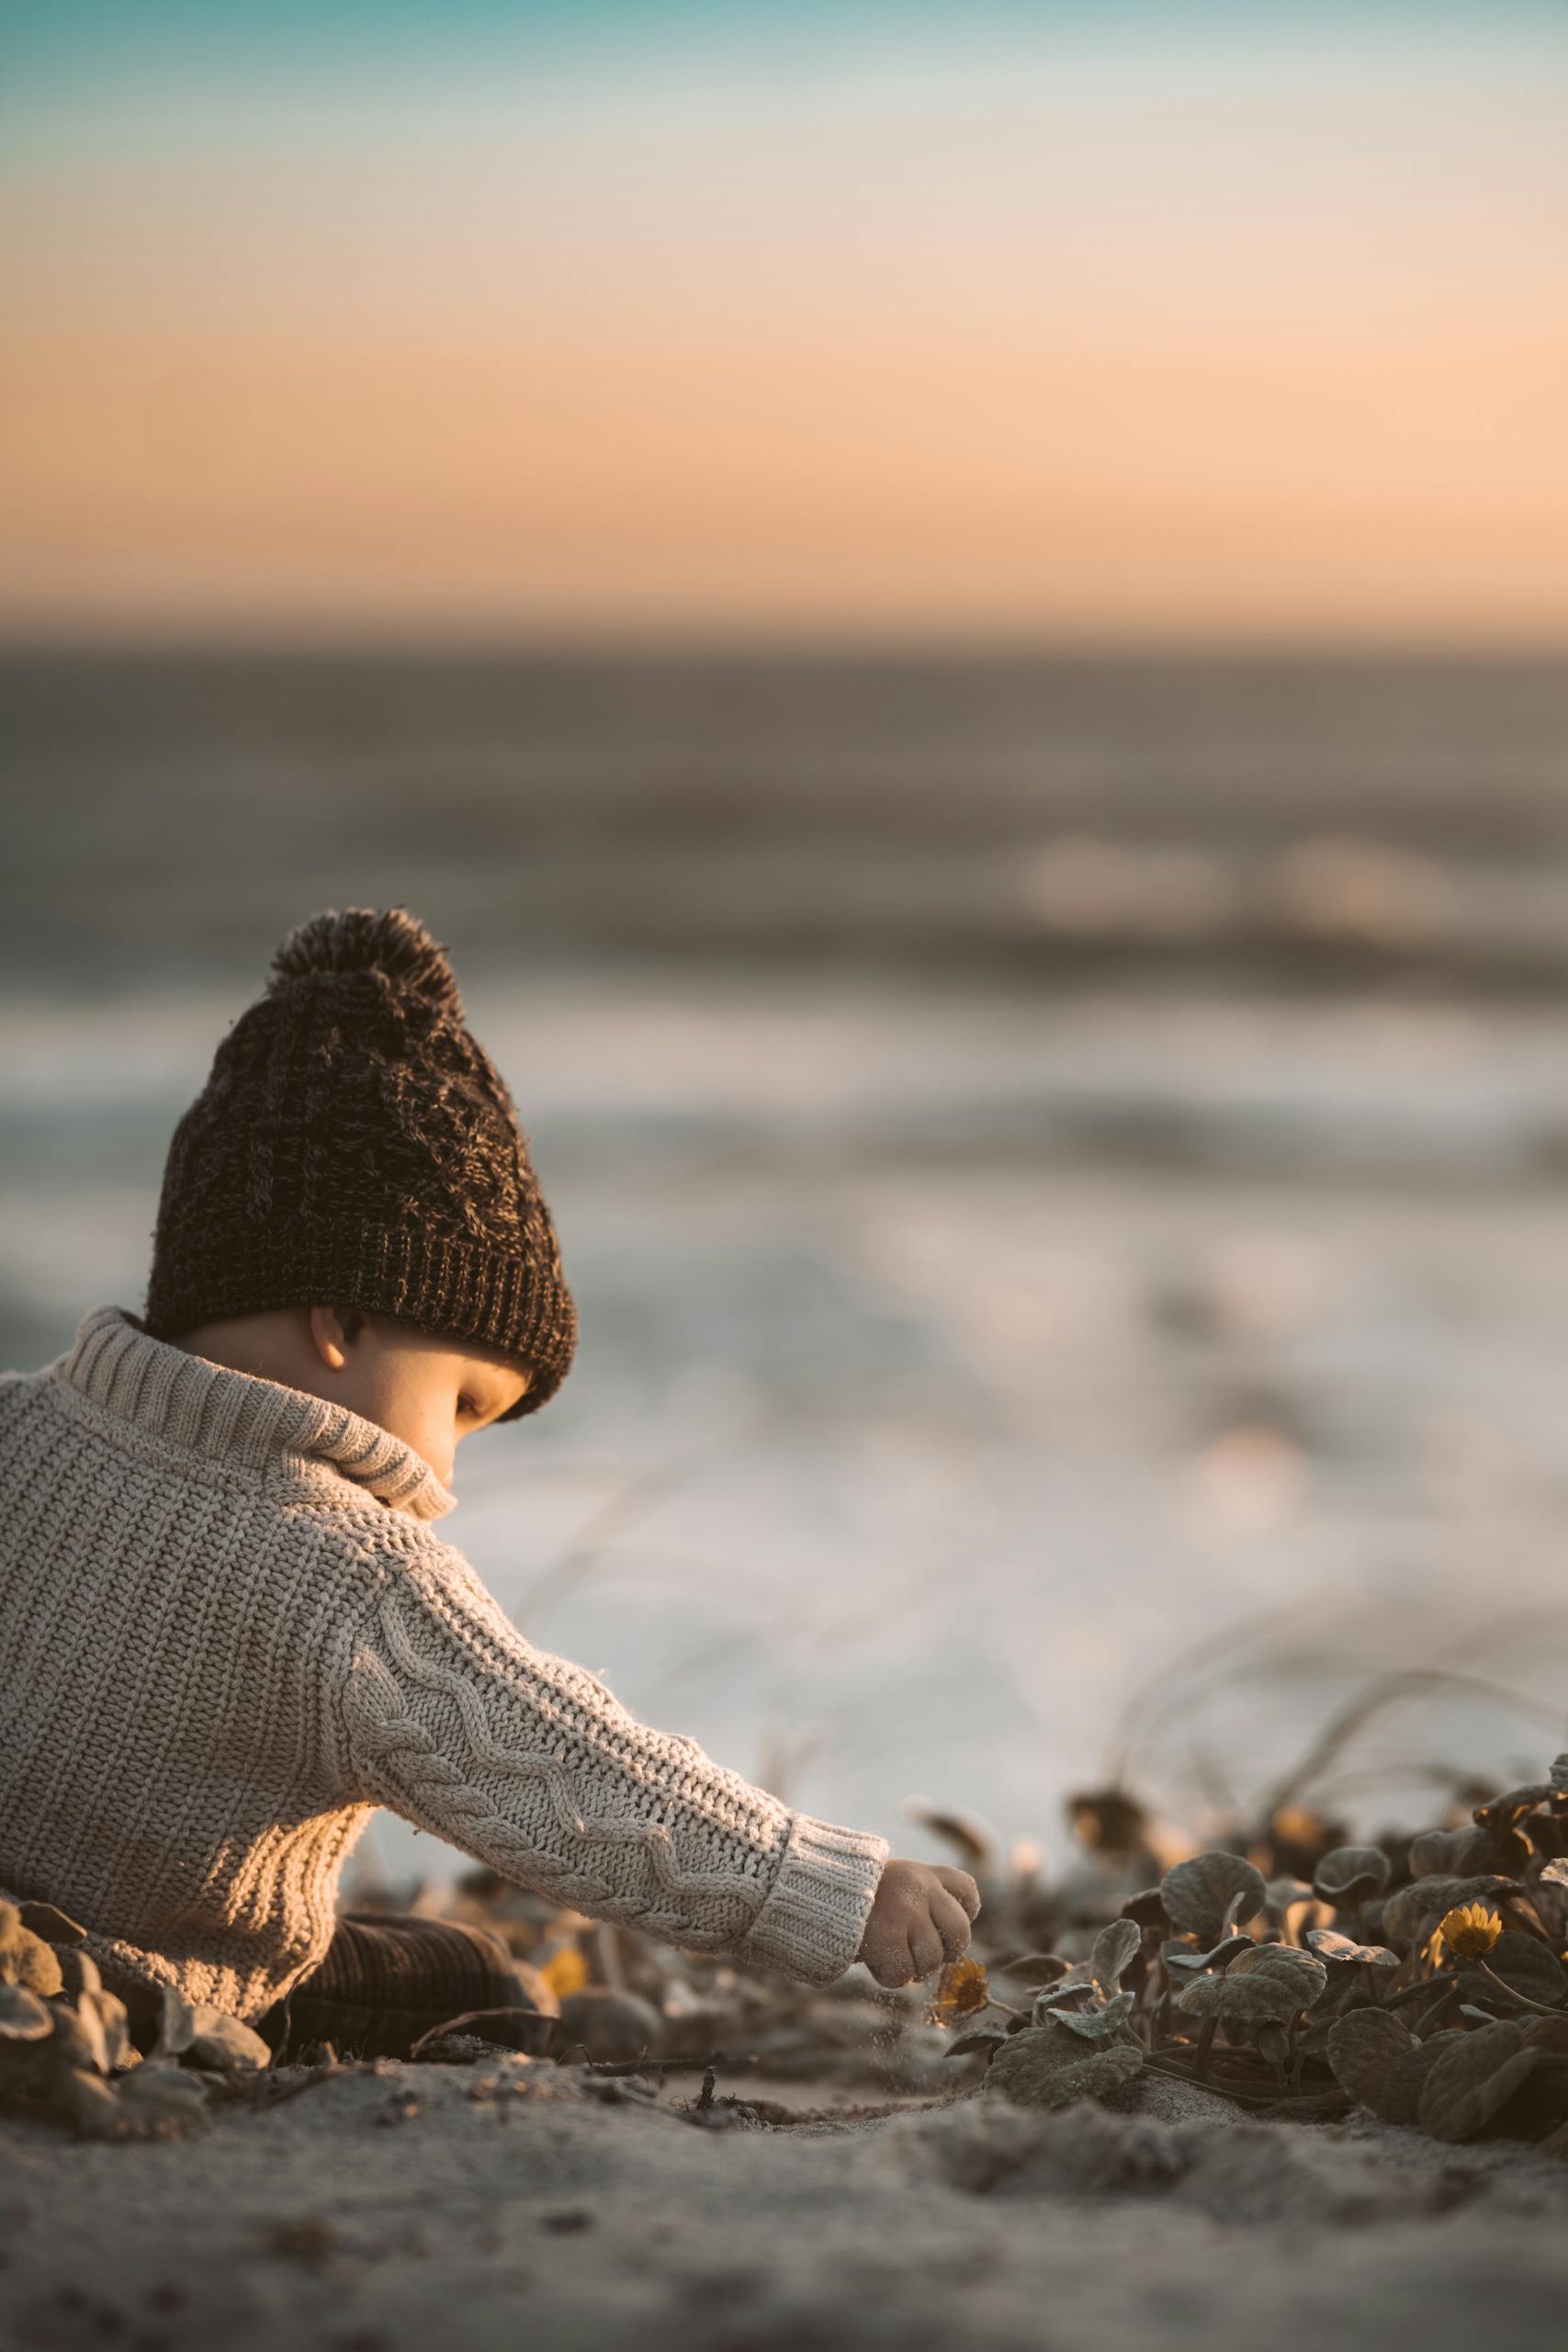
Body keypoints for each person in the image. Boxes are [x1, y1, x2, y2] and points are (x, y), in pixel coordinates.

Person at [0, 905, 978, 2058]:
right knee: (481, 1980)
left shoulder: (13, 1423)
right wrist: (831, 1887)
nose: (447, 1471)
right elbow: (577, 1778)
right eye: (463, 1403)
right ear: (344, 1316)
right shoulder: (348, 1576)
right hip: (140, 1993)